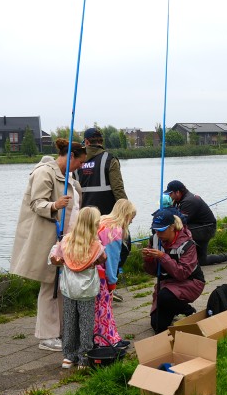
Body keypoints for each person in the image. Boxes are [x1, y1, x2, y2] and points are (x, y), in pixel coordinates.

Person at [10, 139, 86, 352]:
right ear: (70, 156)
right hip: (49, 238)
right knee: (50, 286)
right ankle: (47, 336)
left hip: (66, 239)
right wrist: (55, 205)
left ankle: (61, 330)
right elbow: (36, 203)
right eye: (79, 162)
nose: (81, 166)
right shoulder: (45, 172)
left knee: (62, 287)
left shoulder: (68, 175)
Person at [76, 127, 130, 301]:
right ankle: (108, 286)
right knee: (122, 247)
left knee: (88, 251)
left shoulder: (78, 160)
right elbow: (118, 189)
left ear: (86, 142)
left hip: (84, 217)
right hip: (108, 217)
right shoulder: (109, 159)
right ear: (101, 141)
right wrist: (126, 212)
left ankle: (92, 287)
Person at [49, 206, 106, 370]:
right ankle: (84, 357)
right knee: (86, 324)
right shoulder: (95, 245)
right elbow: (103, 258)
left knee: (69, 322)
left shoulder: (66, 241)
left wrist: (63, 260)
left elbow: (54, 259)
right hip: (87, 291)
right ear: (94, 225)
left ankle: (68, 356)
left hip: (69, 289)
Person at [143, 208, 205, 334]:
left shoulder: (188, 244)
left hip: (190, 282)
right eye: (155, 229)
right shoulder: (154, 240)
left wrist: (162, 257)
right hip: (166, 285)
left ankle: (188, 310)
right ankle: (173, 308)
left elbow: (182, 274)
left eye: (161, 230)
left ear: (172, 227)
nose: (158, 234)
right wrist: (148, 261)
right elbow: (154, 272)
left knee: (165, 296)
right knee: (157, 326)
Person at [164, 181, 227, 265]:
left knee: (177, 231)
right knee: (202, 260)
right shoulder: (182, 199)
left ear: (177, 192)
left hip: (206, 229)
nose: (169, 196)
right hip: (201, 226)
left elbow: (180, 223)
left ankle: (173, 259)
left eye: (170, 194)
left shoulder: (188, 201)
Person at [94, 199, 136, 348]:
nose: (130, 223)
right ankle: (109, 340)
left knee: (95, 310)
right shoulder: (115, 230)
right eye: (131, 219)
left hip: (88, 270)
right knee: (105, 310)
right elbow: (111, 260)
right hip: (101, 274)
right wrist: (112, 283)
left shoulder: (102, 220)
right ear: (126, 215)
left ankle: (97, 338)